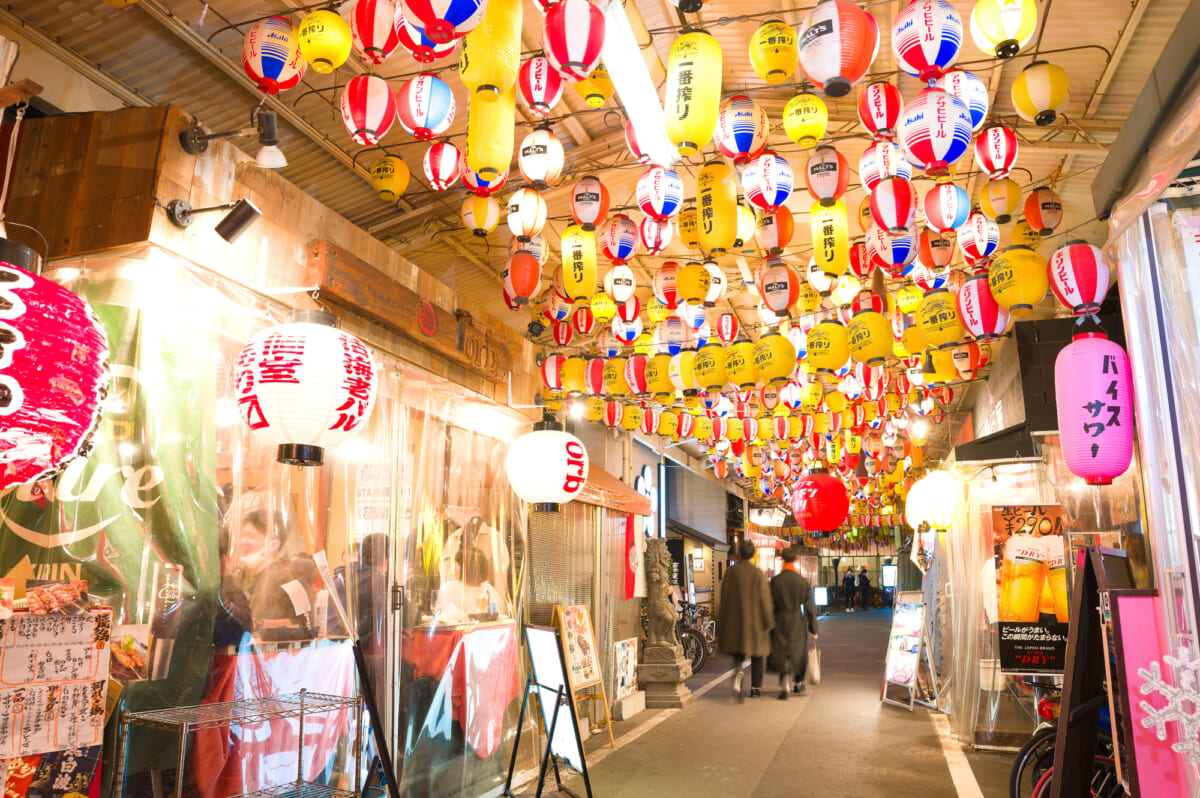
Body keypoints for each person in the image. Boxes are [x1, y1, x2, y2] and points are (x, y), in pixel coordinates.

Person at [717, 540, 774, 699]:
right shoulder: (757, 573)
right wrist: (769, 621)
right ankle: (755, 688)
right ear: (753, 555)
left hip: (735, 623)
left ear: (739, 553)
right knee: (757, 656)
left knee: (738, 655)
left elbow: (724, 599)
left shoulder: (730, 572)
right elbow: (765, 600)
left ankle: (738, 680)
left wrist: (721, 623)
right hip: (756, 624)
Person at [771, 548, 819, 699]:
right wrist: (813, 629)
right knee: (798, 651)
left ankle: (784, 682)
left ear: (782, 561)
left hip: (779, 620)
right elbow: (810, 607)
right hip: (797, 621)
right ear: (796, 560)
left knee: (781, 651)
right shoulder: (802, 582)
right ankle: (798, 683)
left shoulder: (775, 581)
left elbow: (770, 604)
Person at [437, 546, 505, 623]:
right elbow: (444, 616)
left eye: (458, 565)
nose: (454, 569)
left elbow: (498, 615)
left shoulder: (487, 589)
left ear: (471, 568)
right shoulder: (449, 588)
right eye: (455, 564)